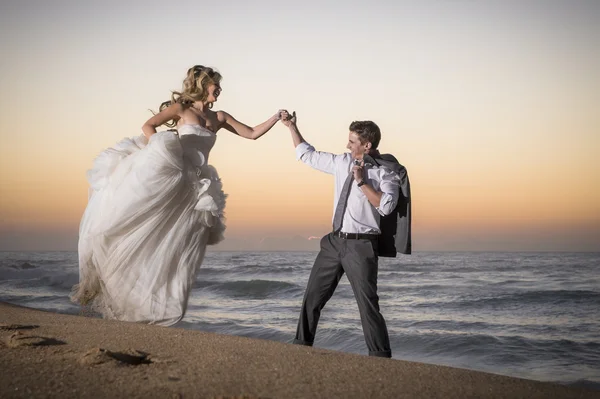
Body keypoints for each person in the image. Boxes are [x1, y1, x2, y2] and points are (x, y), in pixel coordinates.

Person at [71, 65, 284, 326]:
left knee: (182, 247)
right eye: (215, 84)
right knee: (143, 231)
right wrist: (160, 152)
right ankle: (117, 286)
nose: (219, 89)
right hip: (173, 177)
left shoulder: (219, 117)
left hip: (196, 188)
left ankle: (164, 306)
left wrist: (276, 118)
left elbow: (251, 134)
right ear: (204, 85)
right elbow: (149, 126)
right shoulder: (182, 109)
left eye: (219, 85)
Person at [281, 111, 401, 358]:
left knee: (368, 306)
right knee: (312, 298)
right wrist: (292, 127)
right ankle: (301, 347)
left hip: (362, 245)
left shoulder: (385, 172)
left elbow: (387, 206)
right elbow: (307, 154)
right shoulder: (341, 162)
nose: (347, 145)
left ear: (367, 145)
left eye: (353, 141)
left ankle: (381, 358)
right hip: (334, 242)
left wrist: (361, 182)